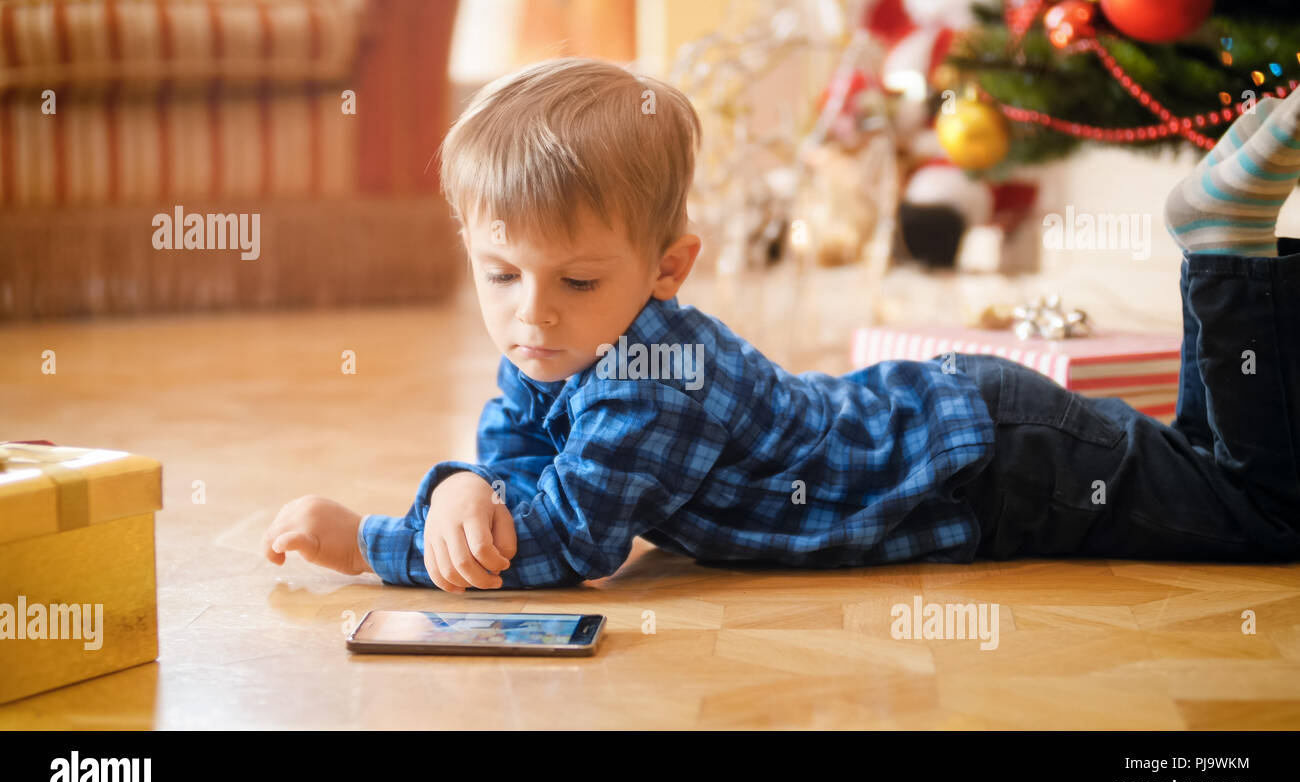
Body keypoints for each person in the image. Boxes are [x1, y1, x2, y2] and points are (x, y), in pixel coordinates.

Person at [262, 58, 1300, 592]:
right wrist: (464, 484)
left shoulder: (651, 374)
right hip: (972, 430)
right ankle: (1224, 245)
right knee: (1208, 468)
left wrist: (370, 540)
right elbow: (521, 458)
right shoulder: (566, 340)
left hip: (990, 468)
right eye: (497, 273)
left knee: (1267, 514)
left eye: (575, 279)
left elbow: (571, 539)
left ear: (670, 268)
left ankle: (1224, 240)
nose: (528, 314)